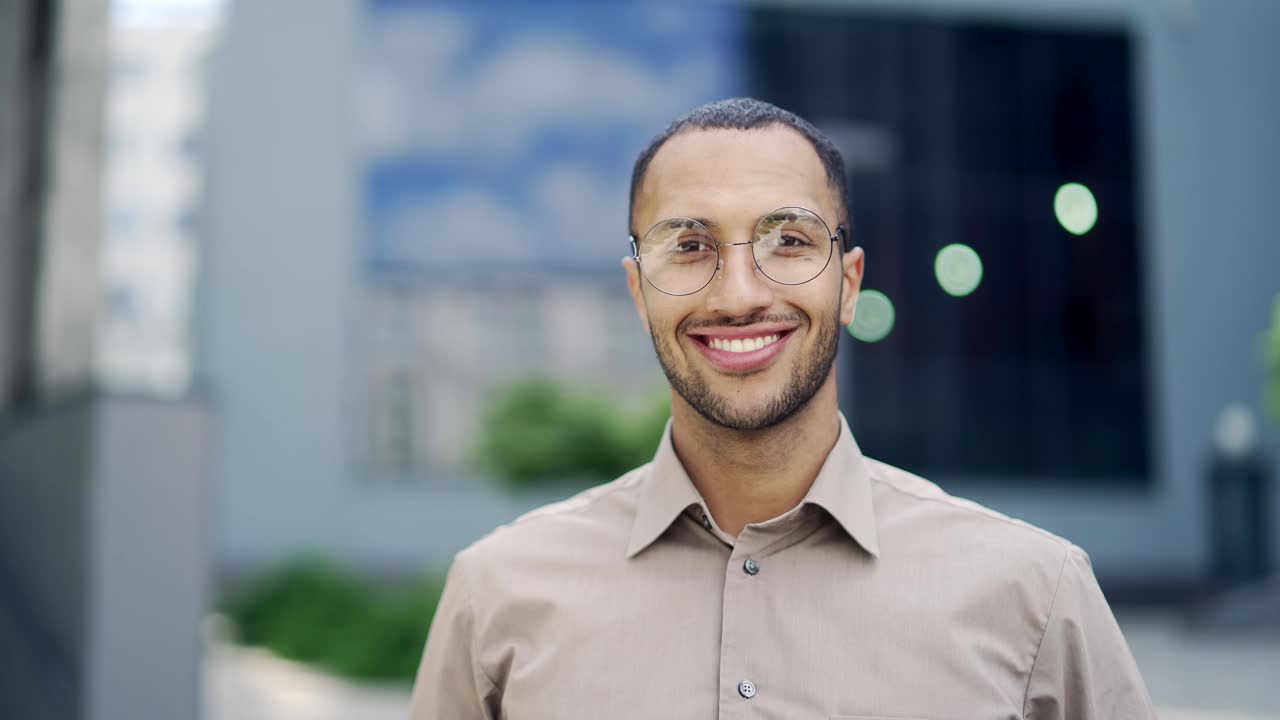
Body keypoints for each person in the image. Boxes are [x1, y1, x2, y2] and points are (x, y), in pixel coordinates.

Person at [408, 98, 1155, 719]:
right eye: (690, 245)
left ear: (850, 282)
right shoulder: (498, 593)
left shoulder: (1034, 595)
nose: (738, 295)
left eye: (789, 240)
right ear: (638, 293)